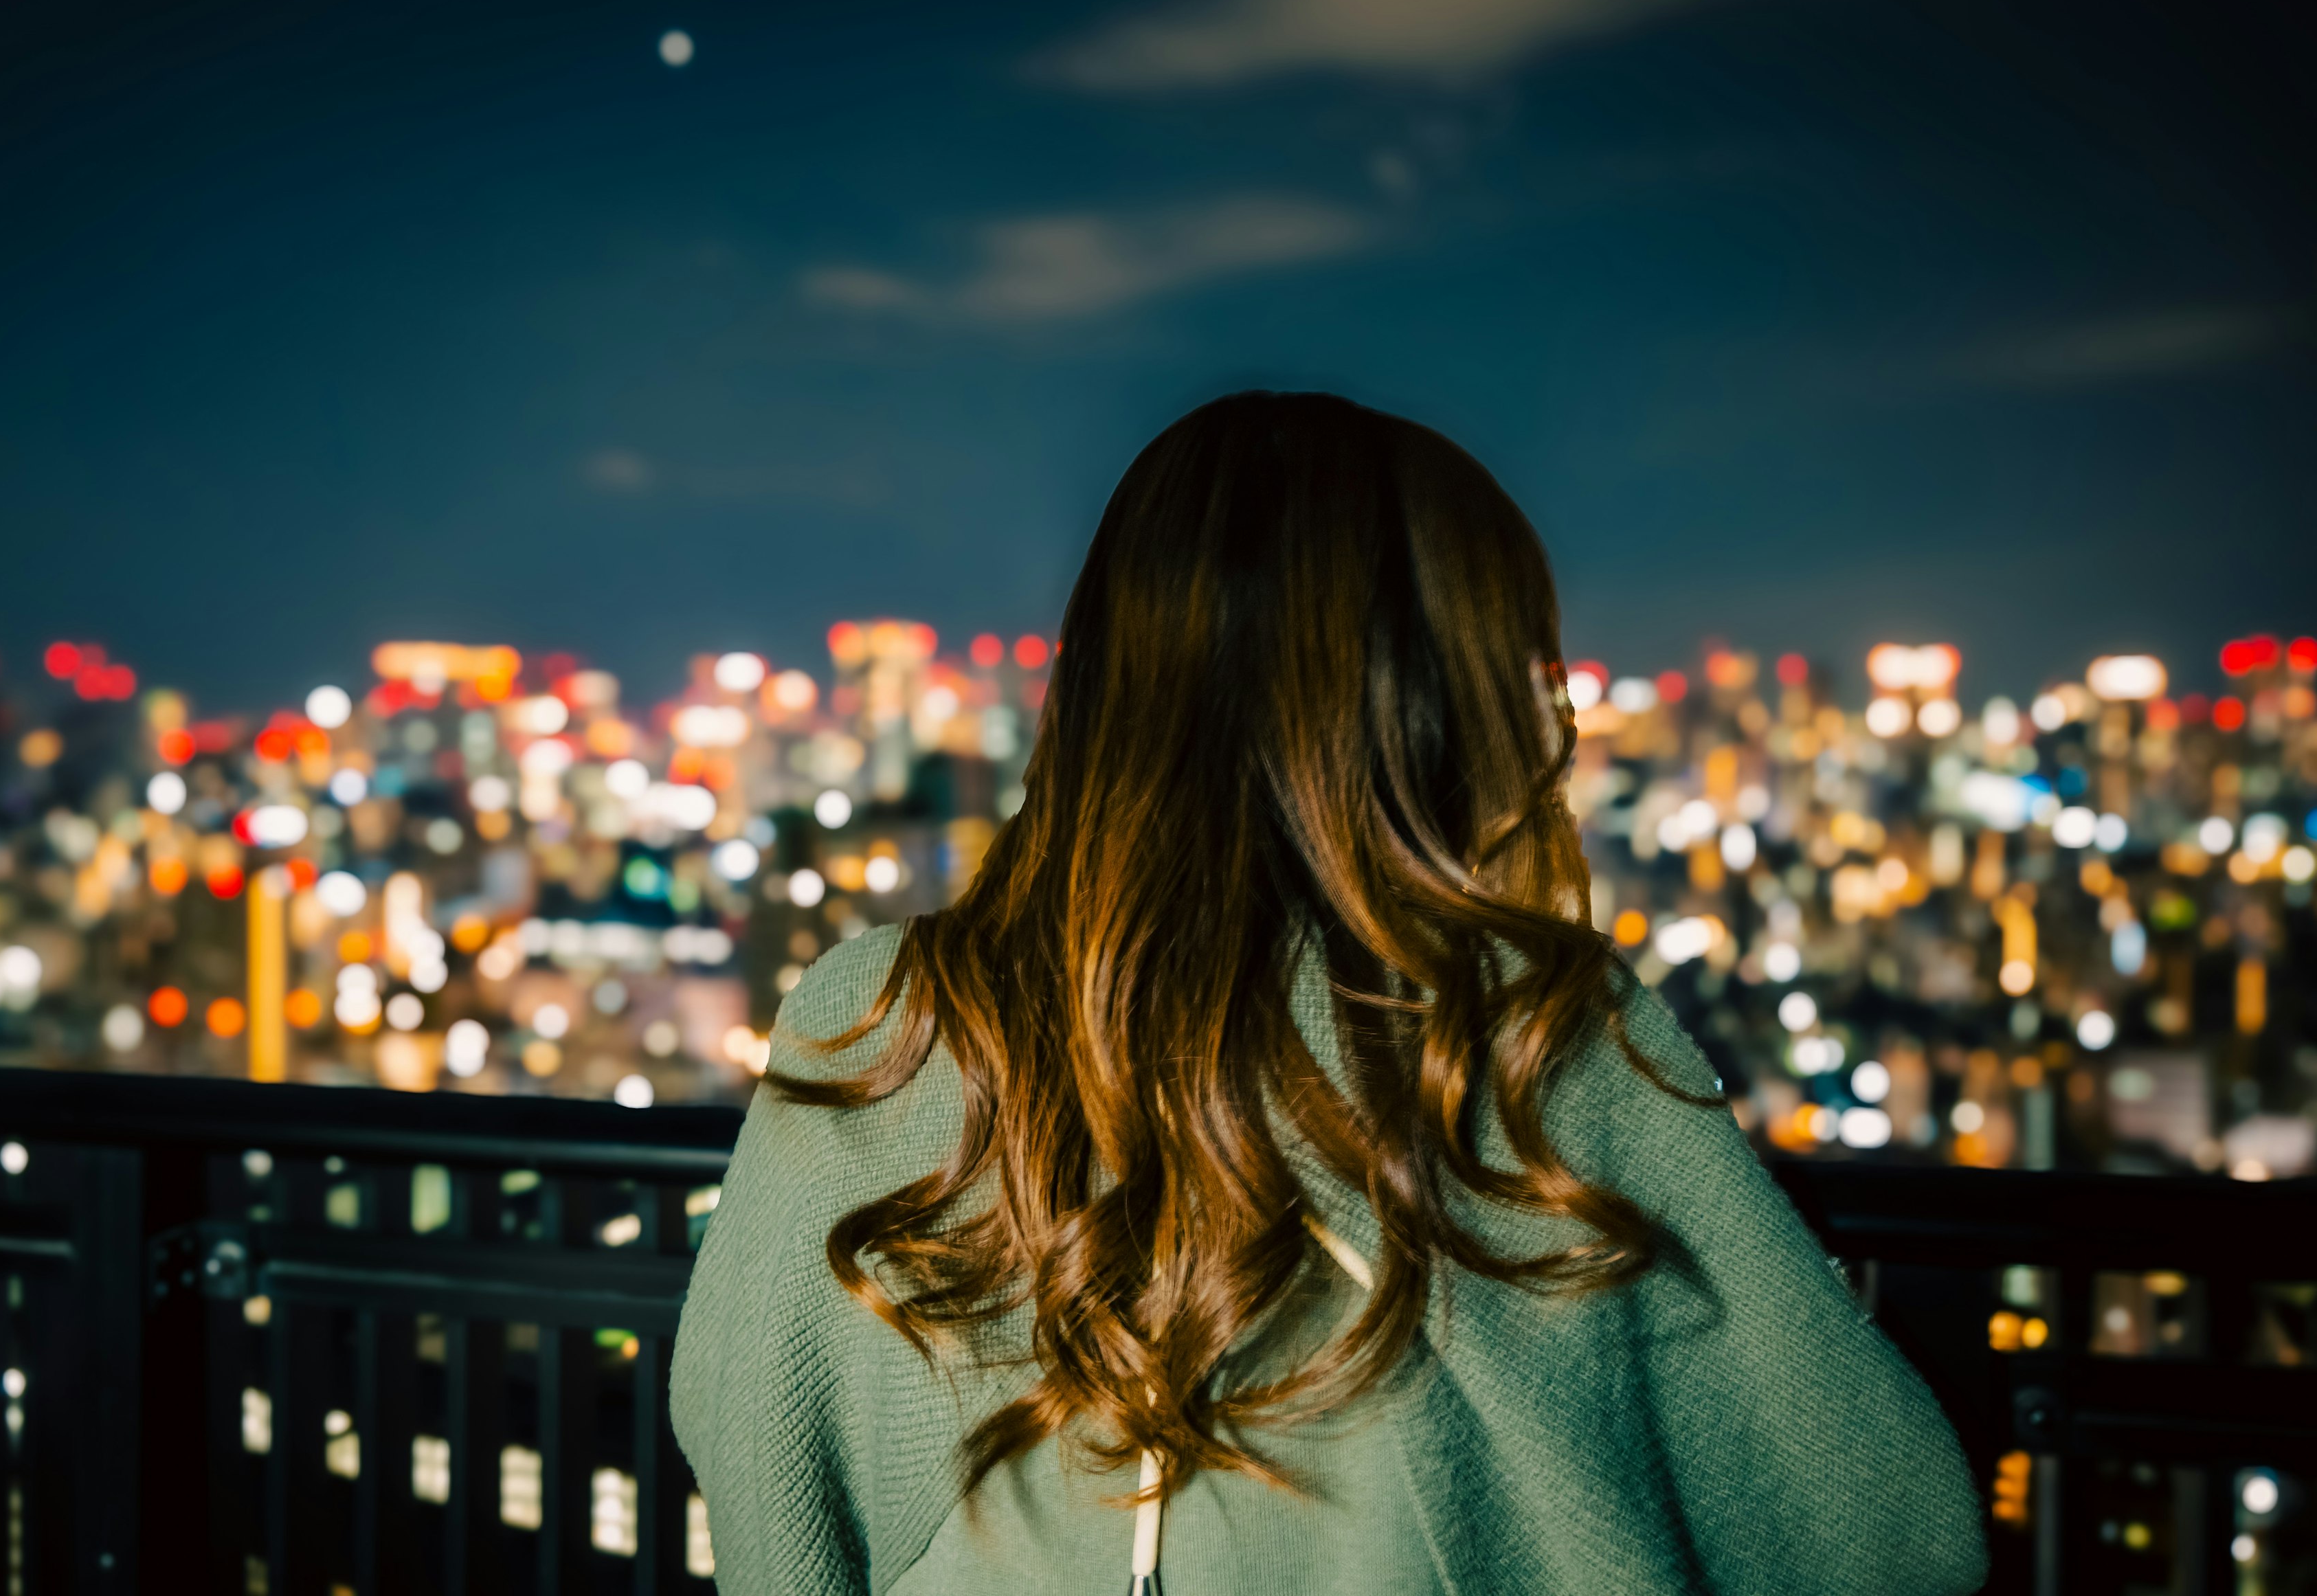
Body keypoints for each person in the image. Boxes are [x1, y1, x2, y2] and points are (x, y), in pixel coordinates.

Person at [672, 392, 1986, 1595]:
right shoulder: (1528, 1036)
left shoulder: (881, 1015)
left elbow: (762, 1463)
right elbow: (1877, 1529)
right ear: (1439, 697)